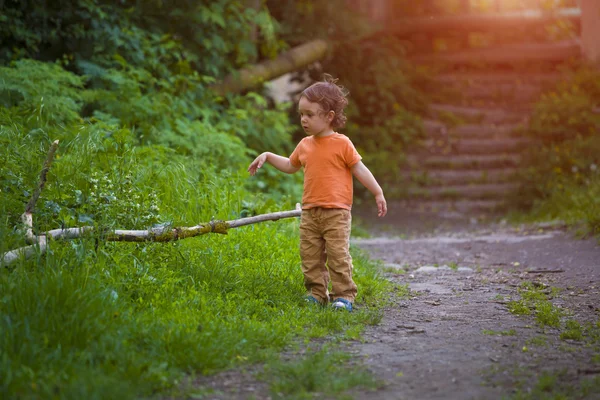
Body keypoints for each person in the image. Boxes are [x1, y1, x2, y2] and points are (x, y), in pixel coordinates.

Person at [247, 74, 387, 312]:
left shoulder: (342, 144)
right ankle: (316, 293)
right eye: (301, 114)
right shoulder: (305, 145)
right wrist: (268, 156)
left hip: (337, 213)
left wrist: (378, 192)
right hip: (310, 212)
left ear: (329, 116)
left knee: (337, 256)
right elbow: (291, 166)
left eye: (309, 114)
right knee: (310, 257)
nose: (303, 119)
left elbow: (359, 169)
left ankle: (343, 295)